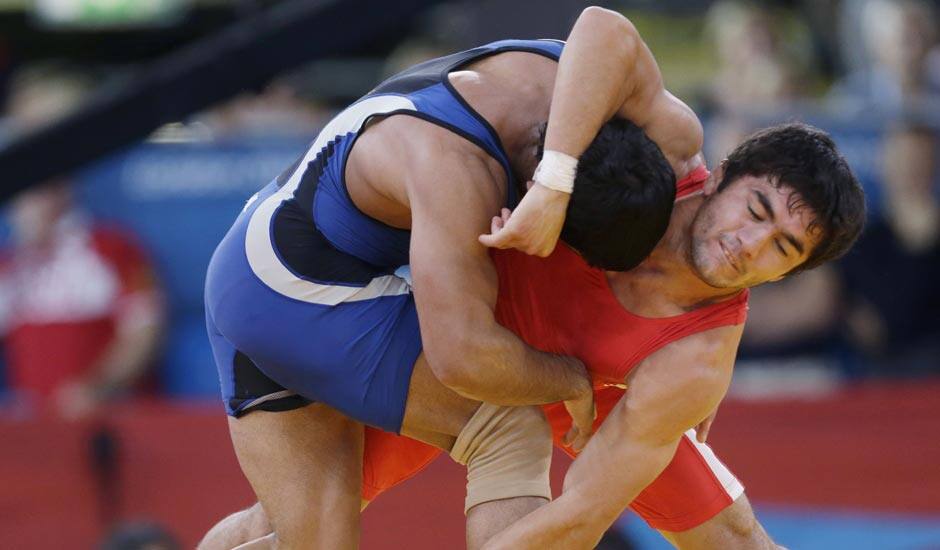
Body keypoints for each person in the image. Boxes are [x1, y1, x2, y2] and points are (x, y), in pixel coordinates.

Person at [201, 7, 865, 549]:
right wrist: (555, 179)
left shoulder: (695, 359)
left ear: (790, 273)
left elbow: (578, 518)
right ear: (718, 176)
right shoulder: (648, 141)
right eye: (754, 212)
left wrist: (575, 384)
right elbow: (603, 28)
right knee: (473, 439)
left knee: (731, 536)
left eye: (783, 248)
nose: (750, 246)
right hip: (468, 340)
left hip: (563, 379)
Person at [0, 180, 164, 419]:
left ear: (60, 193)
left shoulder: (113, 248)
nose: (24, 209)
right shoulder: (10, 264)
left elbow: (145, 331)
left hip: (106, 418)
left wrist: (98, 387)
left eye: (35, 195)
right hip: (33, 422)